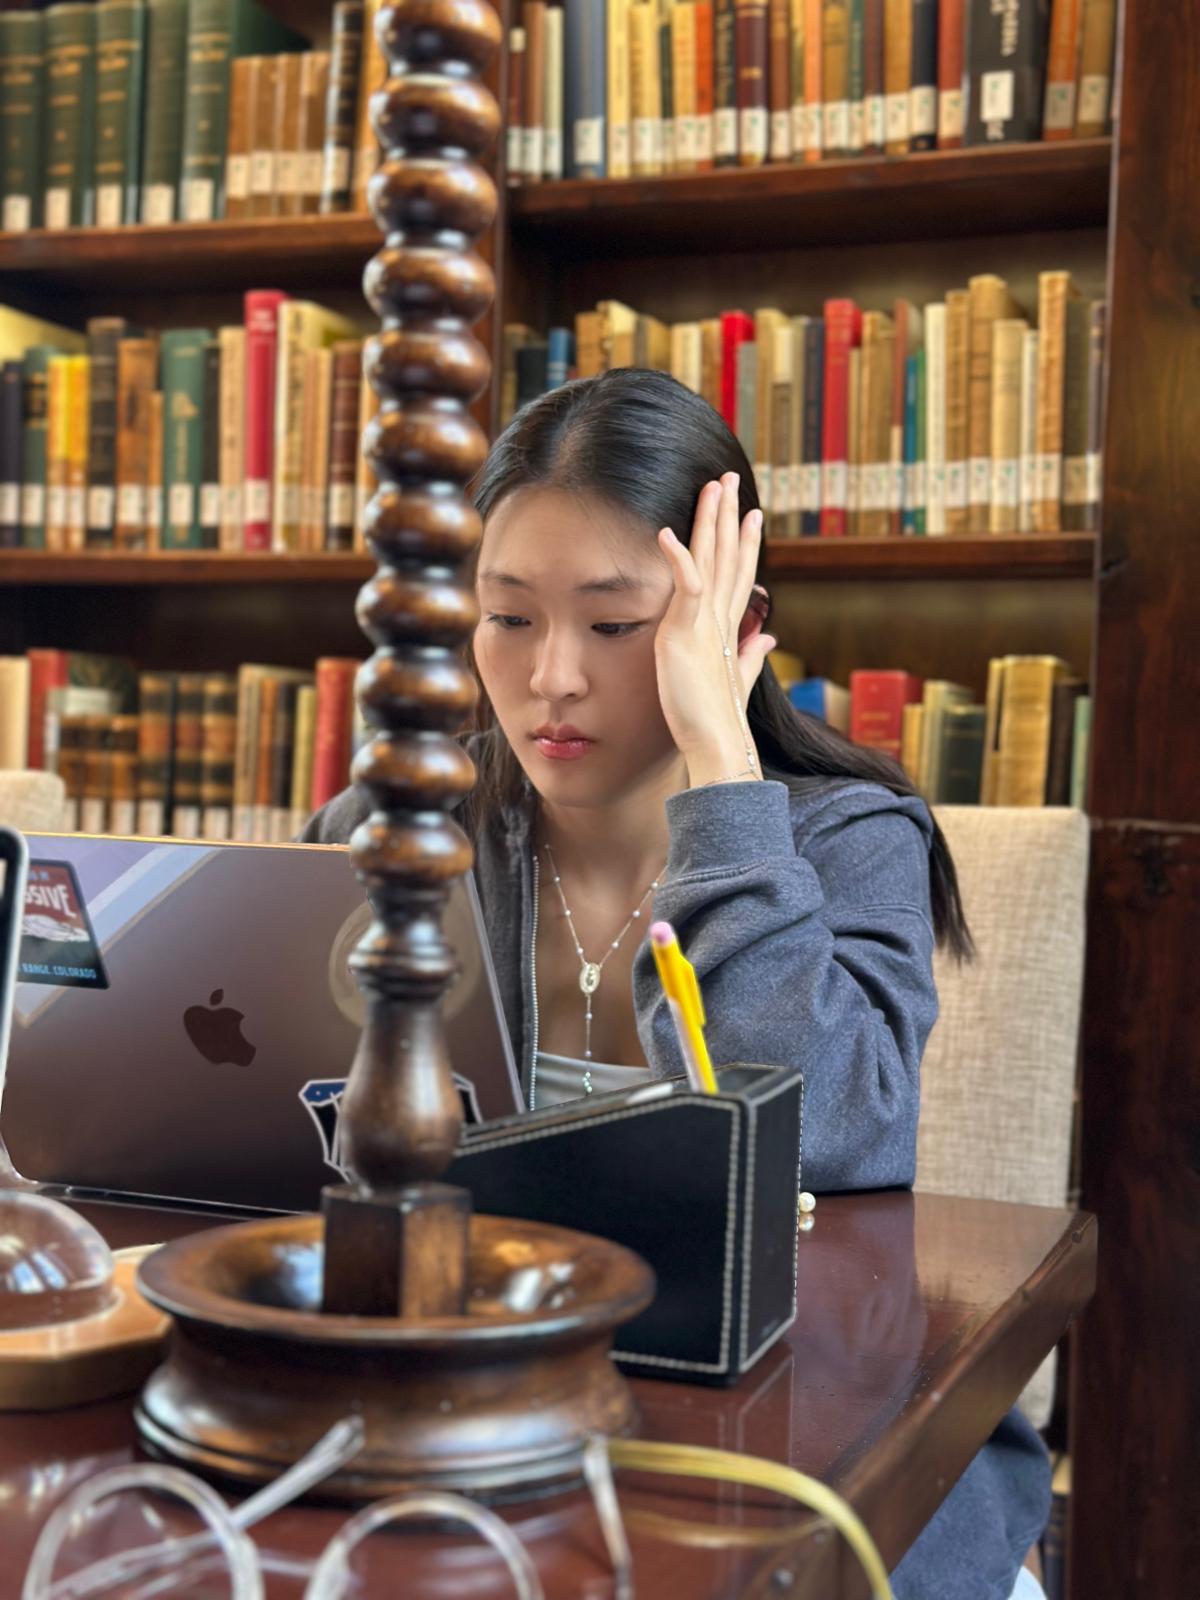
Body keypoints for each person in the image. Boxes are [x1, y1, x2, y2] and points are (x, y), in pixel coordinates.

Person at [301, 368, 1050, 1599]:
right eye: (507, 616)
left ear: (729, 624)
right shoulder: (400, 830)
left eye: (612, 626)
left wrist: (720, 764)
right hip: (489, 1440)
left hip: (803, 1455)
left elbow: (832, 1130)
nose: (551, 677)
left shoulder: (849, 835)